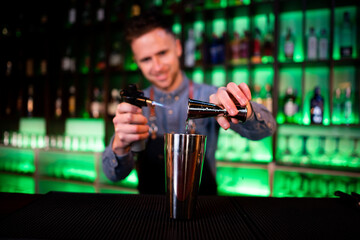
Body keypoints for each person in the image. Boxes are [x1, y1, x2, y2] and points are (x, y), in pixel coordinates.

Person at [102, 10, 276, 195]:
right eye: (146, 59)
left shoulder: (209, 96)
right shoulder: (135, 106)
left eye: (162, 53)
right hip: (150, 211)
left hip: (203, 208)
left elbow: (267, 128)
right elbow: (113, 174)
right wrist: (120, 146)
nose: (157, 66)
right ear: (136, 61)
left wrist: (243, 109)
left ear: (178, 47)